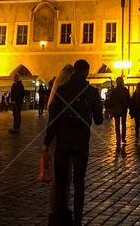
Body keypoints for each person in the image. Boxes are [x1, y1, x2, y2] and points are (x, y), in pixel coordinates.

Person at [43, 60, 103, 226]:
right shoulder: (91, 91)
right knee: (79, 182)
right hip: (81, 142)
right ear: (87, 72)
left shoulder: (62, 89)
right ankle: (77, 220)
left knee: (61, 180)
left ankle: (61, 216)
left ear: (75, 70)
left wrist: (47, 142)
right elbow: (98, 120)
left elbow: (53, 119)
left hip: (63, 141)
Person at [105, 76, 130, 153]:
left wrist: (111, 108)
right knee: (123, 124)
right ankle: (123, 138)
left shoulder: (114, 91)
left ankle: (118, 139)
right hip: (123, 109)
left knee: (117, 125)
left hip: (116, 109)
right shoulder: (125, 90)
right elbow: (128, 99)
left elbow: (111, 100)